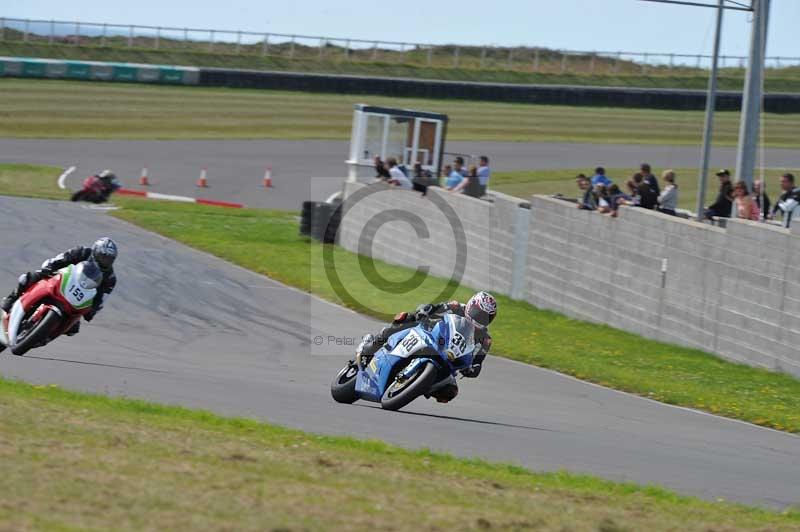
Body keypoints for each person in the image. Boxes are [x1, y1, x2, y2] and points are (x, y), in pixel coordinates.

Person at [354, 292, 497, 403]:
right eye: (478, 313)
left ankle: (416, 385)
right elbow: (433, 308)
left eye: (486, 317)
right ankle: (372, 345)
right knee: (406, 318)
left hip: (449, 359)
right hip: (432, 337)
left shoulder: (485, 339)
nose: (480, 318)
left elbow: (478, 363)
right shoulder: (456, 307)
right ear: (471, 305)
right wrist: (424, 311)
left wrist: (472, 369)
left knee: (450, 392)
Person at [1, 238, 118, 336]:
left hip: (79, 299)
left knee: (73, 328)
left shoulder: (110, 278)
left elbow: (102, 298)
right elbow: (59, 259)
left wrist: (93, 311)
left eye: (109, 259)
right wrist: (49, 268)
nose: (106, 261)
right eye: (103, 257)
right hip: (62, 280)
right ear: (95, 251)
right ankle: (11, 298)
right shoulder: (81, 252)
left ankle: (46, 335)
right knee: (28, 278)